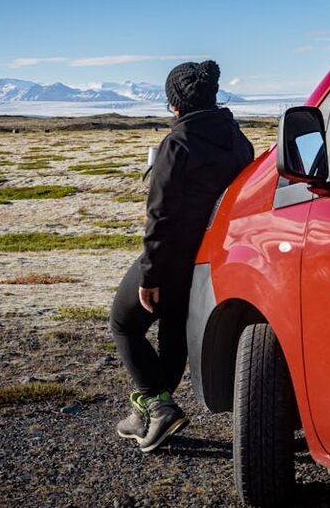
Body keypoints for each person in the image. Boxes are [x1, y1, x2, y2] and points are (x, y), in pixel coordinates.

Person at [110, 60, 254, 452]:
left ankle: (157, 407)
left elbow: (161, 216)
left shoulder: (178, 145)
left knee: (123, 323)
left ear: (175, 103)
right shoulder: (239, 140)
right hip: (210, 260)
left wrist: (150, 275)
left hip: (171, 260)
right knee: (173, 333)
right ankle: (151, 412)